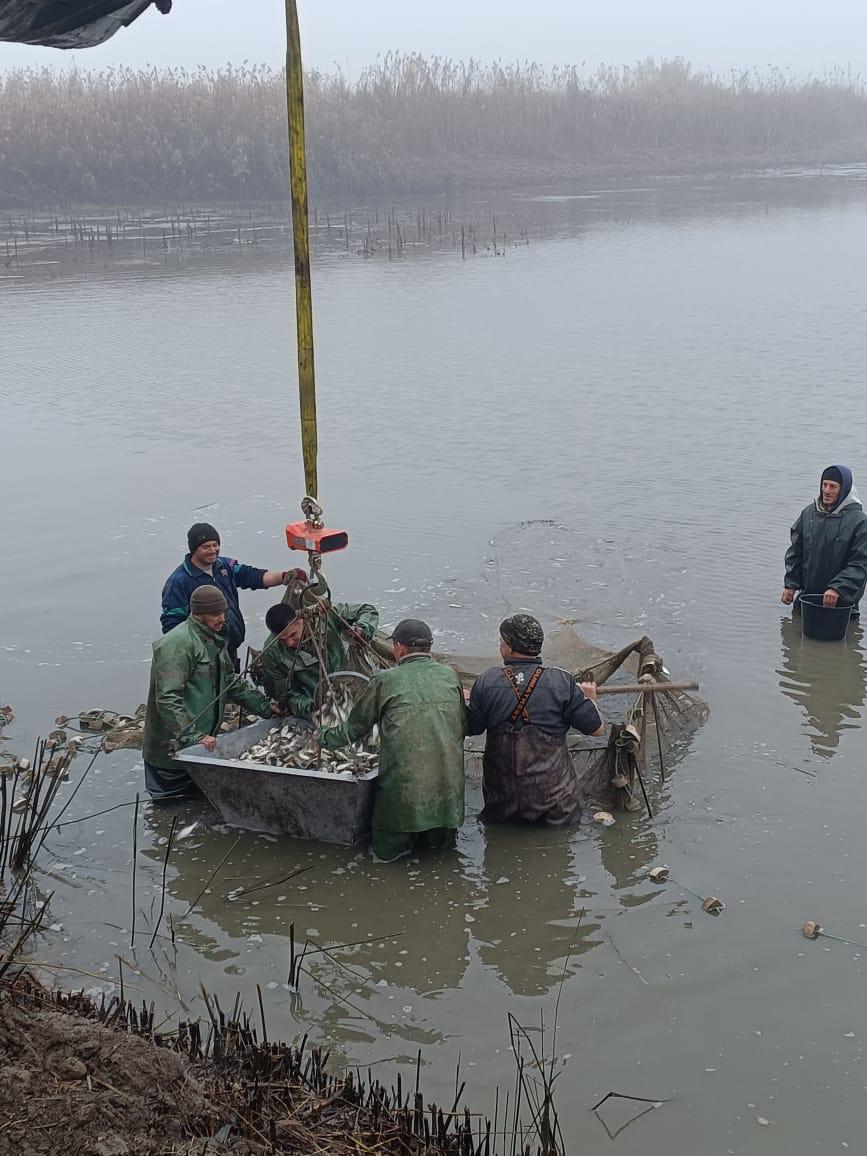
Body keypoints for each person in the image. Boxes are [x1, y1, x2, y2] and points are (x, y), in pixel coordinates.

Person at [318, 618, 465, 862]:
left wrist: (323, 737)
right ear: (429, 647)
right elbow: (462, 727)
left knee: (385, 860)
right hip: (449, 804)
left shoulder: (386, 680)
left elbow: (355, 729)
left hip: (402, 806)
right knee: (442, 861)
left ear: (399, 647)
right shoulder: (450, 676)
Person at [143, 585, 279, 802]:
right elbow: (167, 699)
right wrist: (193, 736)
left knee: (200, 808)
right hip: (170, 752)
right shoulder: (178, 644)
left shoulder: (213, 639)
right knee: (172, 806)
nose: (222, 618)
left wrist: (266, 707)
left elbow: (230, 683)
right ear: (198, 614)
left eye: (223, 612)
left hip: (202, 747)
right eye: (215, 614)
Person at [466, 613, 604, 826]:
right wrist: (590, 699)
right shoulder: (562, 681)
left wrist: (470, 699)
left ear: (510, 648)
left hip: (502, 807)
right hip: (557, 810)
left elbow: (472, 727)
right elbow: (597, 730)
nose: (499, 645)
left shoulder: (487, 681)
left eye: (501, 641)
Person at [160, 522, 306, 668]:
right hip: (204, 659)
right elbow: (172, 625)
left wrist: (284, 576)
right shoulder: (179, 581)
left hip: (230, 651)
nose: (212, 550)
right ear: (193, 549)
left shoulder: (224, 566)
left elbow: (251, 576)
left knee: (232, 685)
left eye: (215, 545)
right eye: (205, 547)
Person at [256, 598, 379, 718]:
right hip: (317, 699)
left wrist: (363, 628)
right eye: (283, 640)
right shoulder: (271, 652)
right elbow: (286, 695)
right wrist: (311, 707)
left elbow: (367, 610)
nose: (289, 643)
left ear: (301, 621)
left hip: (348, 678)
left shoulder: (324, 615)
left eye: (293, 635)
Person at [782, 465, 867, 612]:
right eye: (824, 485)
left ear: (844, 489)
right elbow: (796, 551)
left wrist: (837, 588)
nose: (827, 491)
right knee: (793, 633)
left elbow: (860, 564)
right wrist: (791, 585)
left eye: (833, 486)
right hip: (806, 600)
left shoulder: (859, 522)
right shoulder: (808, 514)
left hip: (841, 605)